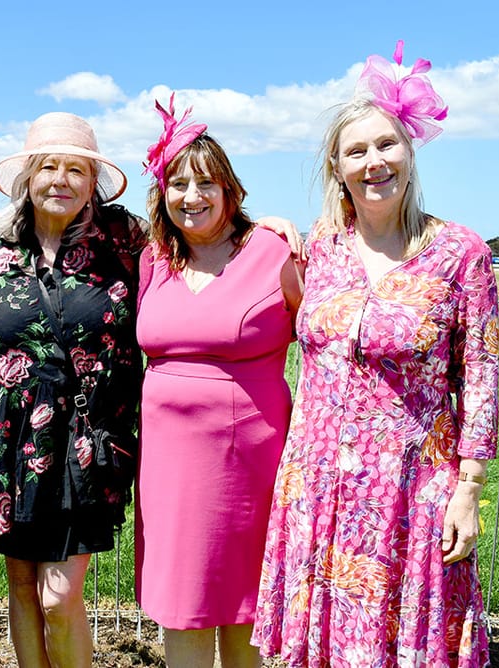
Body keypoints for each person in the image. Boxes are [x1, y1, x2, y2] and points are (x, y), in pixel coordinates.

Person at [252, 41, 499, 667]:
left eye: (386, 145)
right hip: (319, 478)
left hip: (412, 484)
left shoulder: (460, 253)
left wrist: (468, 488)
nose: (374, 162)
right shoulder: (321, 247)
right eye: (356, 151)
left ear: (410, 154)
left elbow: (482, 376)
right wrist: (268, 227)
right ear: (337, 167)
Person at [0, 112, 146, 668]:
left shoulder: (125, 241)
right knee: (21, 589)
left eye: (75, 169)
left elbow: (202, 240)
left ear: (92, 182)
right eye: (48, 167)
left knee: (59, 597)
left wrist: (273, 225)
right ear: (28, 178)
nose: (60, 180)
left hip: (86, 446)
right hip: (8, 444)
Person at [134, 95, 303, 668]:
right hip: (167, 460)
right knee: (181, 599)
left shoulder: (276, 251)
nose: (192, 196)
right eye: (177, 184)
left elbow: (324, 335)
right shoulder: (154, 259)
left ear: (230, 190)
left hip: (249, 458)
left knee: (243, 601)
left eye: (206, 183)